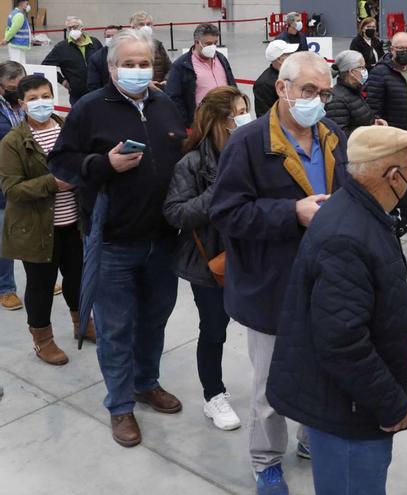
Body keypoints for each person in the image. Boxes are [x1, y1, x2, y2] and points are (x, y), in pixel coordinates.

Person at [208, 51, 348, 495]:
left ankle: (312, 437)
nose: (317, 100)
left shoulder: (332, 136)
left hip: (326, 277)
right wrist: (293, 212)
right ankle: (266, 461)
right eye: (308, 91)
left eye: (324, 92)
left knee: (325, 368)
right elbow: (227, 213)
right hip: (273, 283)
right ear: (282, 88)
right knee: (272, 385)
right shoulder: (247, 143)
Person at [267, 125, 407, 495]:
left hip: (351, 401)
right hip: (349, 412)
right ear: (392, 176)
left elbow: (372, 296)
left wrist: (406, 335)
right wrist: (392, 405)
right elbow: (342, 341)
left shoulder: (362, 212)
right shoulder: (347, 236)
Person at [48, 28, 186, 448]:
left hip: (163, 241)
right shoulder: (89, 109)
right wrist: (103, 164)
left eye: (144, 63)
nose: (138, 70)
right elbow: (63, 163)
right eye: (129, 64)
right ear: (111, 68)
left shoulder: (166, 105)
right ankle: (120, 404)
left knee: (155, 318)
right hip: (113, 242)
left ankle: (146, 382)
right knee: (116, 327)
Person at [163, 87, 253, 432]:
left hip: (253, 256)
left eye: (245, 111)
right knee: (214, 330)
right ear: (216, 120)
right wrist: (219, 192)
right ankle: (213, 394)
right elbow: (176, 212)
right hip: (211, 262)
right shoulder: (193, 163)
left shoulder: (253, 151)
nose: (241, 119)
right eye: (234, 114)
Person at [0, 74, 93, 367]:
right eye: (33, 99)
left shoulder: (68, 129)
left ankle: (82, 322)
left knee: (78, 278)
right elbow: (11, 189)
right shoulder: (13, 142)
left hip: (73, 224)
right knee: (41, 286)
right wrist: (53, 183)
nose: (41, 103)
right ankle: (43, 339)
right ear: (21, 104)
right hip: (37, 229)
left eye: (45, 96)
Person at [366, 32, 407, 237]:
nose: (405, 53)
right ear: (391, 49)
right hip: (393, 137)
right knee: (393, 180)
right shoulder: (380, 72)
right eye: (400, 49)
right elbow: (373, 107)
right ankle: (392, 220)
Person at [166, 23, 237, 128]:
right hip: (201, 124)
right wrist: (188, 124)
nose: (212, 47)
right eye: (208, 44)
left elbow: (232, 84)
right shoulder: (181, 65)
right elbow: (173, 98)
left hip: (226, 118)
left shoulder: (221, 59)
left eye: (215, 43)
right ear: (196, 42)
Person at [87, 12, 172, 92]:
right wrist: (145, 83)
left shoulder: (157, 45)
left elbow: (170, 67)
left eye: (148, 24)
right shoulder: (123, 47)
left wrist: (166, 80)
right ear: (133, 27)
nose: (146, 27)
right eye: (141, 24)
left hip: (159, 91)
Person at [0, 61, 25, 311]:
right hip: (3, 183)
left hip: (30, 179)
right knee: (3, 237)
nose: (16, 90)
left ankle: (43, 275)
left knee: (36, 232)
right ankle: (5, 288)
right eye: (11, 87)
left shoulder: (29, 103)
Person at [41, 17, 103, 106]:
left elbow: (103, 62)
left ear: (82, 27)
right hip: (77, 95)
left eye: (75, 27)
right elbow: (45, 66)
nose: (72, 30)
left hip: (98, 90)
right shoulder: (61, 48)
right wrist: (62, 80)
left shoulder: (95, 42)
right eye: (69, 28)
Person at [326, 50, 386, 136]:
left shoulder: (354, 91)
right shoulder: (337, 100)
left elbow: (359, 120)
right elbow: (340, 136)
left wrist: (374, 122)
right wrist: (370, 130)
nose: (365, 71)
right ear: (351, 72)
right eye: (362, 67)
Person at [254, 40, 297, 118]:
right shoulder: (264, 84)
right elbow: (264, 116)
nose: (293, 57)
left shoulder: (290, 74)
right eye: (289, 55)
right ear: (279, 59)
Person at [85, 25, 123, 92]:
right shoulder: (96, 58)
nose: (111, 38)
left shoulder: (130, 53)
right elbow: (93, 85)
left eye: (114, 36)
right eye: (108, 36)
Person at [2, 0, 32, 64]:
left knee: (18, 65)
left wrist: (7, 39)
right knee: (18, 65)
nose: (28, 5)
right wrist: (6, 39)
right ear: (21, 3)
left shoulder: (14, 13)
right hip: (17, 44)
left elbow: (9, 28)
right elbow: (13, 30)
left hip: (16, 44)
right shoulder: (19, 15)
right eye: (26, 3)